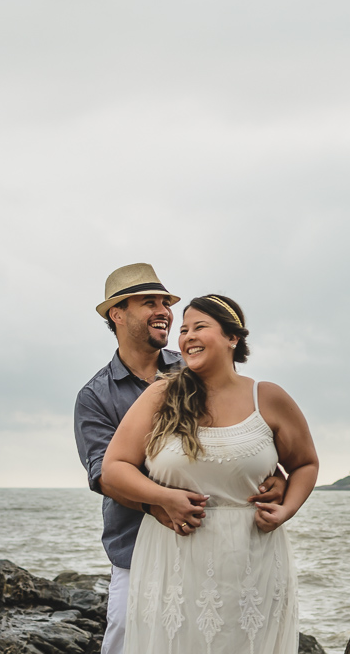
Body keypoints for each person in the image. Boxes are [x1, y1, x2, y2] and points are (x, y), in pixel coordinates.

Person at [75, 264, 287, 654]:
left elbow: (241, 437)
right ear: (117, 315)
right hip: (135, 549)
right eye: (148, 303)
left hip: (220, 551)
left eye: (165, 303)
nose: (164, 311)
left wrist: (280, 477)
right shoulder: (96, 396)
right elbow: (105, 474)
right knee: (127, 640)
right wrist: (159, 503)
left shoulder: (195, 365)